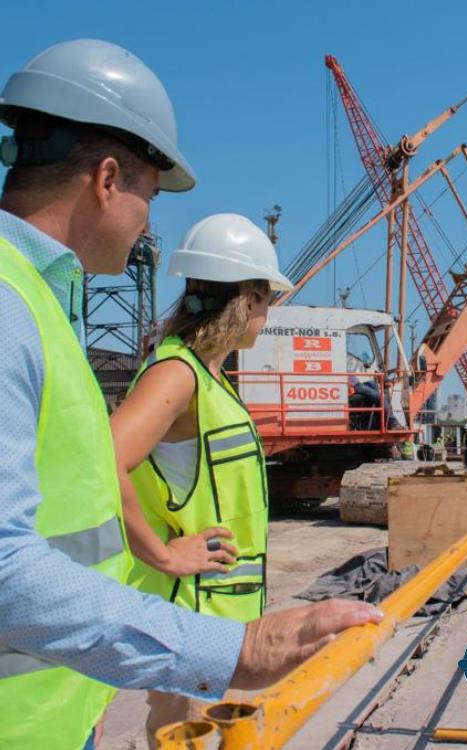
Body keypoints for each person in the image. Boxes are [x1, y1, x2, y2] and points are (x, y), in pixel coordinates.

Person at [0, 40, 381, 750]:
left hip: (59, 704)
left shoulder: (47, 307)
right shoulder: (18, 306)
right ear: (107, 179)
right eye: (150, 192)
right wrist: (173, 569)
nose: (150, 220)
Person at [108, 213, 296, 737]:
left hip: (217, 611)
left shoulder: (210, 376)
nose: (267, 314)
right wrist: (164, 554)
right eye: (267, 300)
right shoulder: (177, 373)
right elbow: (105, 461)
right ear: (247, 299)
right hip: (188, 612)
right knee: (182, 732)